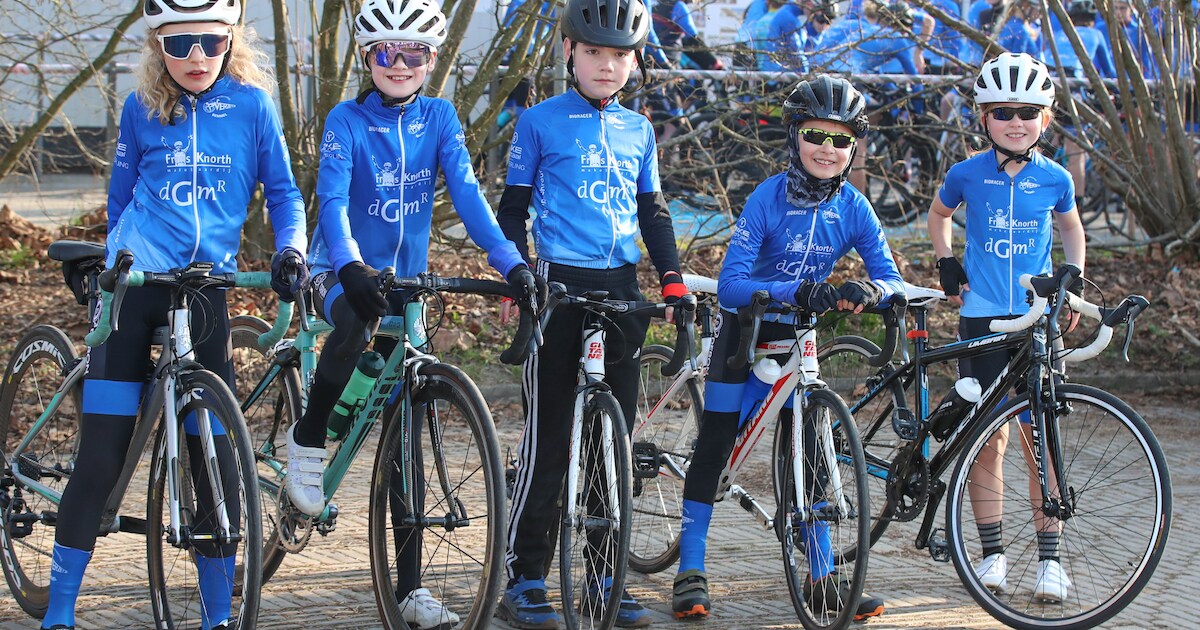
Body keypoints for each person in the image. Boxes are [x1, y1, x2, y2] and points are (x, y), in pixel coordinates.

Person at [41, 2, 310, 629]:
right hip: (135, 287)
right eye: (180, 42)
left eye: (210, 43)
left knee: (210, 454)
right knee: (102, 455)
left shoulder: (251, 106)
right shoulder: (142, 108)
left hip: (205, 290)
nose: (195, 57)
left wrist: (292, 248)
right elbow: (120, 196)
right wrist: (110, 266)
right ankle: (58, 611)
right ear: (158, 44)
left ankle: (218, 615)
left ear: (231, 40)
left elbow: (286, 192)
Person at [283, 0, 538, 627]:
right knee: (354, 322)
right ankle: (308, 441)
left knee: (407, 441)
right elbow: (334, 202)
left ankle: (411, 589)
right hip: (338, 270)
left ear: (431, 60)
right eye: (385, 52)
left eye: (415, 53)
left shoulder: (442, 117)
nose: (400, 64)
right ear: (368, 57)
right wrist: (346, 265)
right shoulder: (346, 121)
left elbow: (471, 198)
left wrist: (511, 264)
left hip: (406, 281)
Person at [670, 75, 903, 622]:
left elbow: (891, 277)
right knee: (717, 442)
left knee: (814, 453)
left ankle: (822, 575)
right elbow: (730, 285)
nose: (828, 148)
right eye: (817, 134)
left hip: (801, 341)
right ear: (795, 136)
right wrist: (787, 290)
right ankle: (691, 567)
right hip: (744, 334)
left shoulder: (855, 209)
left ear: (853, 149)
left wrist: (872, 290)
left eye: (842, 139)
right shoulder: (767, 197)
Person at [495, 0, 689, 626]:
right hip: (556, 286)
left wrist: (673, 280)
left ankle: (606, 575)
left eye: (620, 54)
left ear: (636, 60)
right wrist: (514, 277)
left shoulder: (639, 130)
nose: (608, 65)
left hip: (620, 287)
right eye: (595, 52)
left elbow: (653, 214)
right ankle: (524, 577)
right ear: (570, 53)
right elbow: (512, 210)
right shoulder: (538, 123)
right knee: (551, 438)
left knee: (611, 441)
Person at [926, 52, 1086, 603]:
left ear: (1045, 118)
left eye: (1028, 111)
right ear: (983, 118)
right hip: (984, 317)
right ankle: (992, 554)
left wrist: (1075, 275)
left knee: (1042, 439)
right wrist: (946, 259)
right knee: (985, 440)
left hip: (1038, 320)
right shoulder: (966, 172)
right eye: (1002, 112)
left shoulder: (1056, 177)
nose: (1015, 121)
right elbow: (938, 214)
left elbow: (1071, 227)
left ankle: (1051, 563)